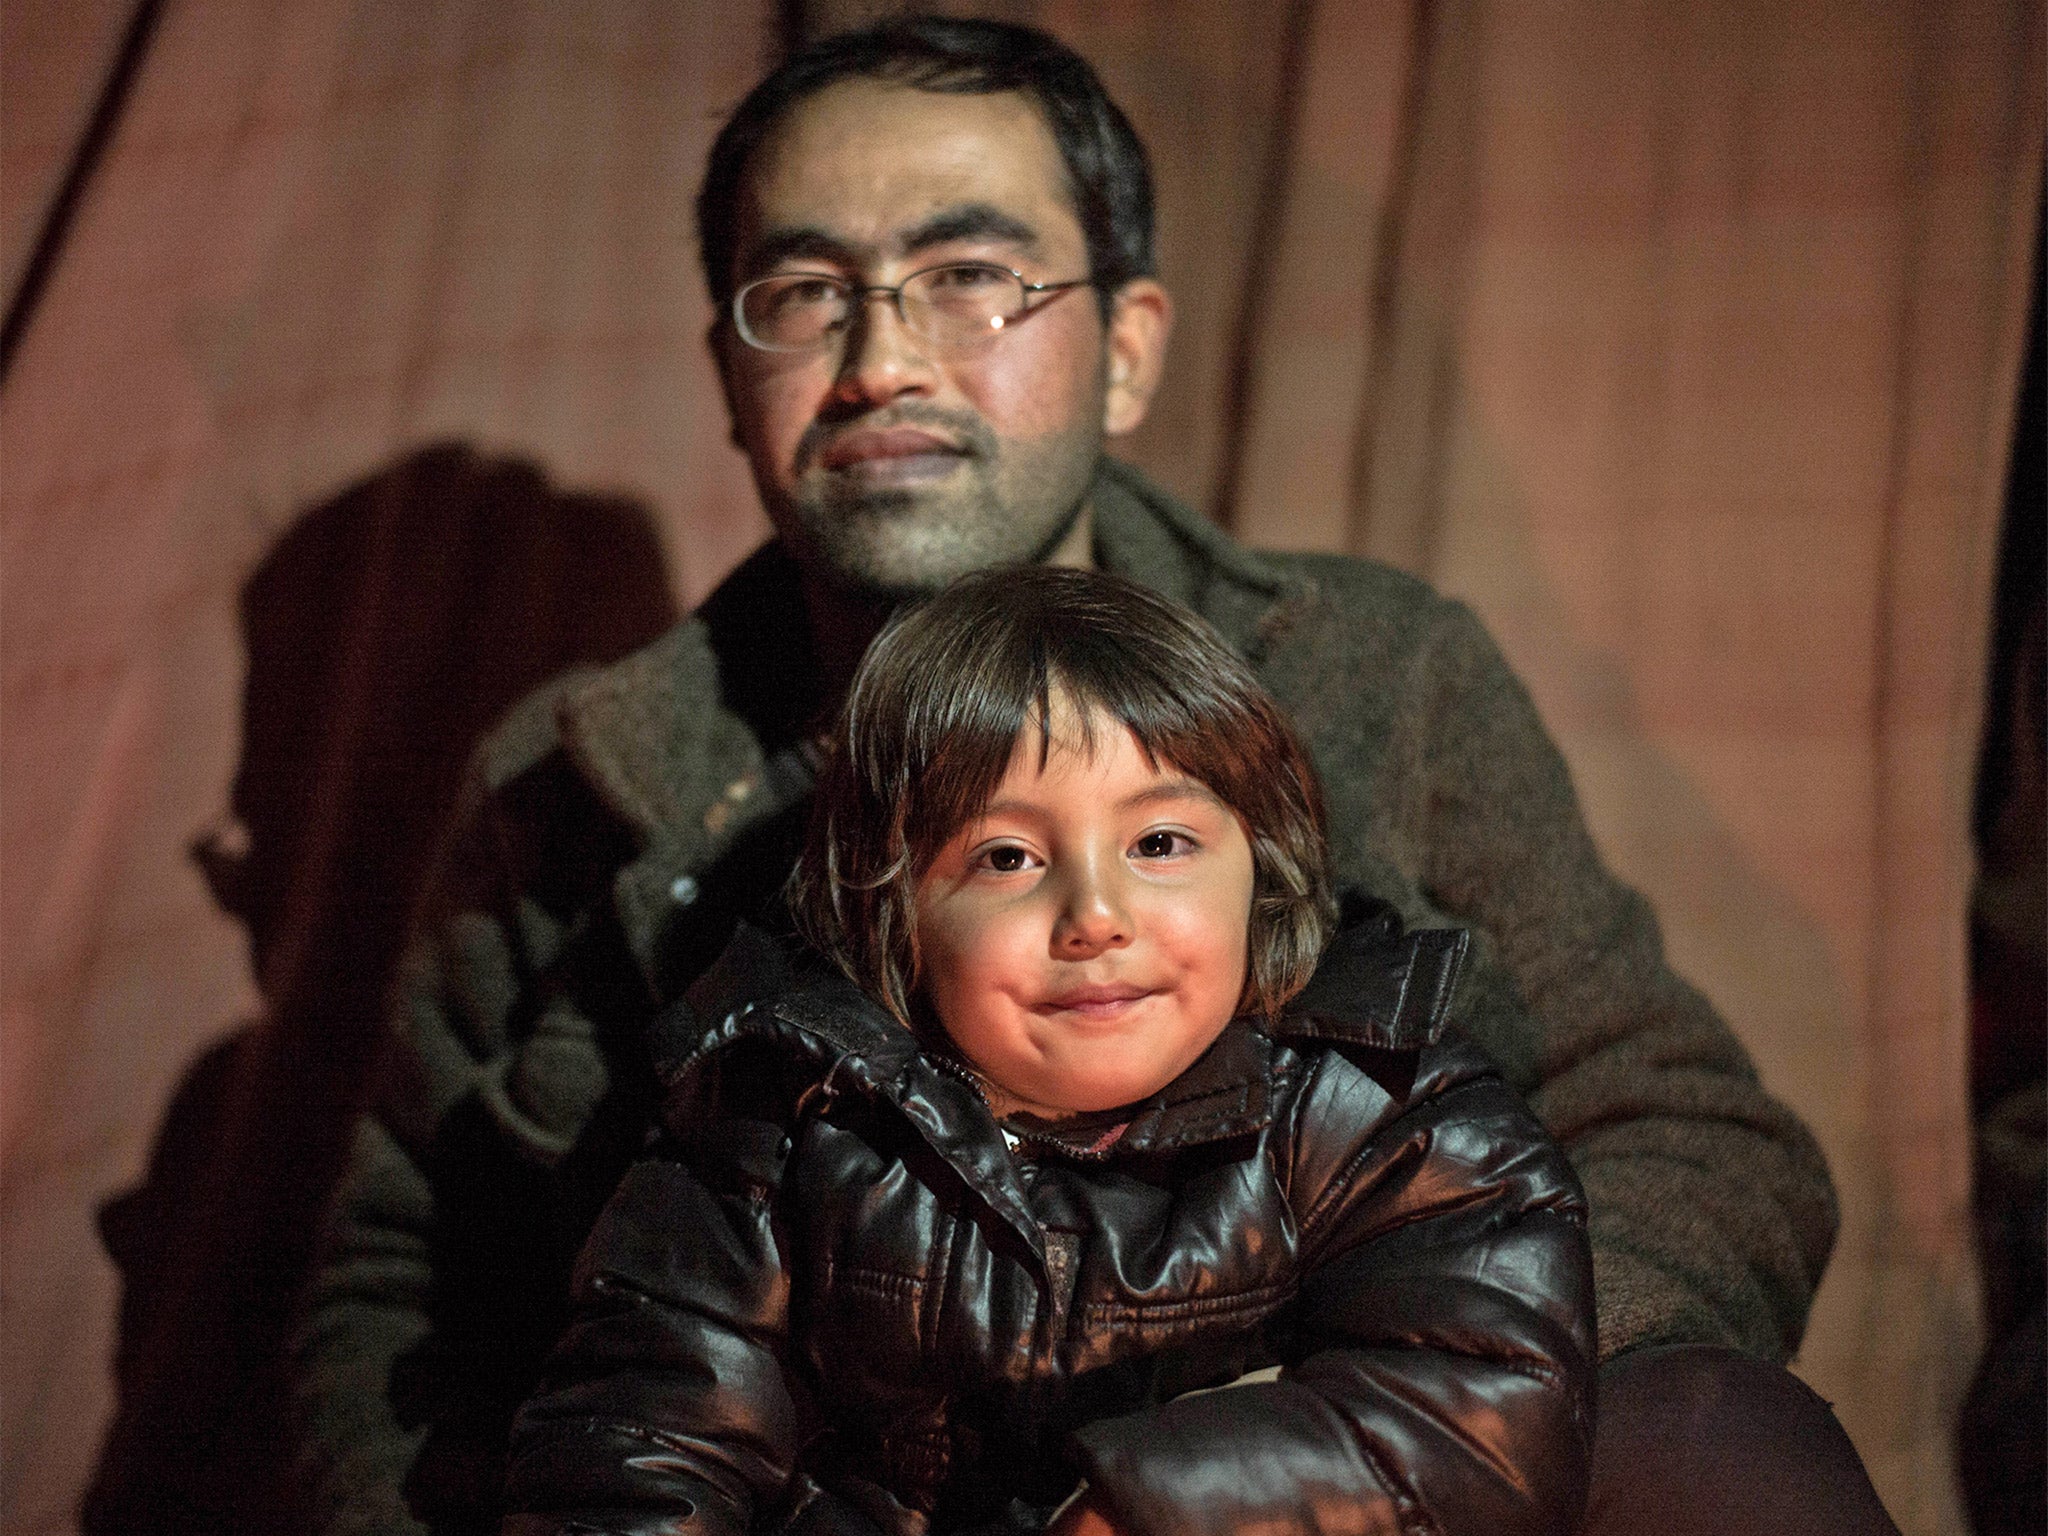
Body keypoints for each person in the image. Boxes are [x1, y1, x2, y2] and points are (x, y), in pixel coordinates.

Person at [293, 17, 1896, 1536]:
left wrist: (1325, 1439)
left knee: (1715, 1447)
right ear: (727, 377)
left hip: (1381, 1464)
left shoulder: (1379, 672)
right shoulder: (581, 789)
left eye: (970, 278)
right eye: (801, 291)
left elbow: (1694, 1134)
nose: (879, 363)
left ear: (1126, 350)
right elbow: (395, 1294)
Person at [503, 566, 1598, 1536]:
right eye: (1008, 857)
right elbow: (642, 1438)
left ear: (1261, 865)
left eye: (1158, 843)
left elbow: (1485, 1403)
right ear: (893, 916)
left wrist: (1151, 1509)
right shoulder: (784, 1124)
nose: (1095, 915)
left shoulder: (1373, 1104)